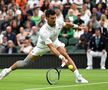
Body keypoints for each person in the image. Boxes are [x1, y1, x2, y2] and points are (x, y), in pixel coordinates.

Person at [0, 9, 88, 83]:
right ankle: (7, 71)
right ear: (46, 18)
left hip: (55, 41)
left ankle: (78, 77)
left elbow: (67, 24)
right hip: (41, 47)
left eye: (55, 17)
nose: (54, 20)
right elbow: (51, 47)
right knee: (24, 63)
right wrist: (61, 58)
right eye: (52, 18)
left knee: (66, 55)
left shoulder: (58, 22)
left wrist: (77, 26)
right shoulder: (43, 31)